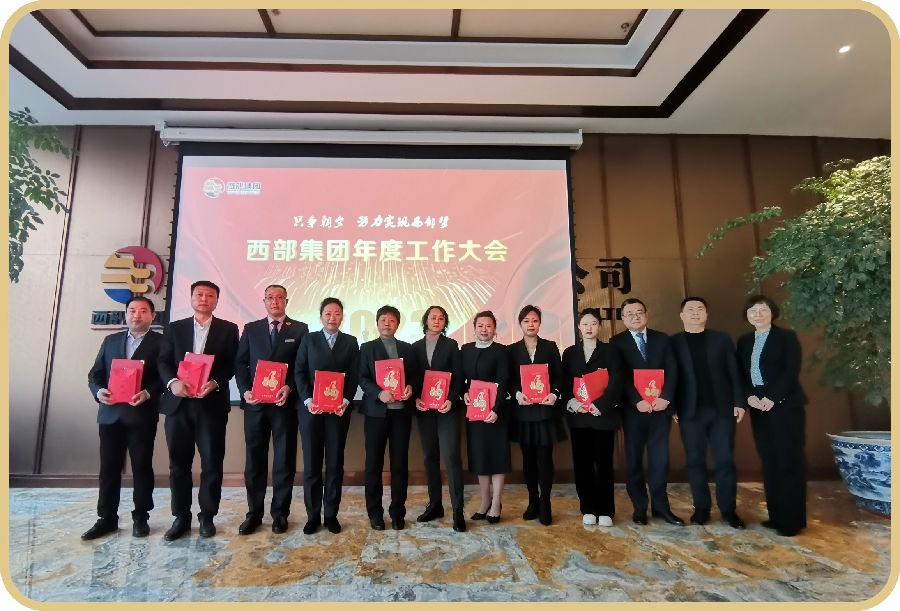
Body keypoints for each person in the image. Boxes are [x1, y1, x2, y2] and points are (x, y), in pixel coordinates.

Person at [157, 280, 239, 540]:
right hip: (179, 405)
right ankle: (181, 517)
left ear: (217, 300)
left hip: (210, 404)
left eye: (210, 295)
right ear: (191, 297)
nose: (204, 299)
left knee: (212, 462)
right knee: (178, 464)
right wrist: (173, 383)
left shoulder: (228, 329)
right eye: (199, 294)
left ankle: (207, 517)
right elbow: (163, 361)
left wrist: (215, 382)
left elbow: (232, 363)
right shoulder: (175, 328)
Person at [84, 296, 164, 539]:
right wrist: (99, 391)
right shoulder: (111, 341)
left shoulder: (161, 342)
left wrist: (148, 392)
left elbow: (165, 377)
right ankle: (107, 518)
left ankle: (141, 517)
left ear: (152, 316)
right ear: (126, 314)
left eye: (143, 311)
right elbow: (95, 374)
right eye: (132, 310)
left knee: (142, 467)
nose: (137, 315)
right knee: (108, 469)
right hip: (110, 416)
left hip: (141, 415)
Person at [234, 284, 308, 535]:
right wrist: (245, 390)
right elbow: (240, 363)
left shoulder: (300, 329)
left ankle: (280, 514)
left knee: (284, 462)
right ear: (264, 301)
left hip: (284, 405)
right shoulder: (251, 328)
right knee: (254, 462)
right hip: (255, 405)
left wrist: (289, 387)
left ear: (286, 300)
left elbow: (302, 366)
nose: (275, 301)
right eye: (270, 297)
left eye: (279, 297)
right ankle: (254, 514)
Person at [670, 297, 746, 529]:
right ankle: (701, 508)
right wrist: (672, 406)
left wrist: (739, 401)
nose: (695, 313)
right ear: (681, 315)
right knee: (694, 461)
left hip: (722, 410)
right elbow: (670, 377)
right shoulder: (673, 342)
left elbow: (734, 372)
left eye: (700, 309)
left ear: (706, 314)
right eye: (690, 309)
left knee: (725, 460)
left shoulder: (721, 339)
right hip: (689, 411)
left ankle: (728, 510)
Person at [737, 295, 808, 537]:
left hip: (785, 407)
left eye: (762, 309)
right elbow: (742, 375)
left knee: (789, 462)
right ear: (747, 315)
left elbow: (791, 372)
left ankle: (792, 521)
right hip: (759, 408)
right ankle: (776, 516)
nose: (757, 314)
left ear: (772, 312)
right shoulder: (745, 341)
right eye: (752, 311)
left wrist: (772, 397)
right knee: (769, 461)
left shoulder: (786, 337)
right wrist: (748, 397)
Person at [610, 298, 682, 526]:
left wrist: (666, 398)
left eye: (639, 312)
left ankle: (661, 507)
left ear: (647, 315)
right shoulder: (616, 342)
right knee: (633, 460)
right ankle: (639, 507)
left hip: (660, 409)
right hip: (633, 412)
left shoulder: (663, 339)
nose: (635, 317)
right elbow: (620, 376)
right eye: (630, 314)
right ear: (623, 318)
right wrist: (636, 400)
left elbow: (673, 370)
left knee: (660, 460)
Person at [293, 297, 359, 534]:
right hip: (311, 411)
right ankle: (312, 515)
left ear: (342, 317)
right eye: (328, 313)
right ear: (321, 316)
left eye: (337, 313)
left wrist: (346, 400)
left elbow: (354, 375)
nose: (333, 318)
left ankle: (331, 514)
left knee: (334, 464)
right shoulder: (309, 339)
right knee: (311, 464)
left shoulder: (350, 341)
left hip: (338, 412)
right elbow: (299, 372)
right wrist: (307, 400)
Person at [561, 308, 624, 527]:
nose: (589, 328)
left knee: (604, 464)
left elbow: (617, 381)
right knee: (583, 464)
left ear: (599, 326)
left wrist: (600, 405)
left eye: (593, 323)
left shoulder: (611, 351)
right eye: (585, 324)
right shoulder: (570, 353)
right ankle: (587, 507)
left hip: (602, 417)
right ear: (579, 327)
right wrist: (574, 403)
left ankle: (606, 509)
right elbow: (565, 382)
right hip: (579, 417)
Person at [358, 305, 416, 531]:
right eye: (383, 320)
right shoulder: (367, 348)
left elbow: (415, 376)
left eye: (391, 320)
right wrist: (378, 393)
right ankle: (375, 513)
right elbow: (362, 378)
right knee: (373, 464)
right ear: (377, 323)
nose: (387, 324)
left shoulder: (407, 349)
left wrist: (411, 386)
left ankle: (398, 512)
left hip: (401, 413)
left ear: (397, 324)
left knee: (400, 463)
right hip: (376, 414)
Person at [507, 305, 565, 526]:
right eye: (526, 321)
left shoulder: (550, 347)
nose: (531, 325)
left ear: (540, 323)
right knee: (528, 460)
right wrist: (516, 393)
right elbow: (510, 380)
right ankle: (533, 501)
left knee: (545, 459)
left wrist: (554, 393)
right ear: (520, 324)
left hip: (545, 411)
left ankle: (545, 503)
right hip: (523, 412)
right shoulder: (512, 350)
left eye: (535, 321)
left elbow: (559, 376)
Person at [411, 305, 466, 532]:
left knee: (452, 457)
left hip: (447, 410)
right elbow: (413, 377)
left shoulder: (451, 345)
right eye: (433, 317)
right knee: (430, 458)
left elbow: (459, 376)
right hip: (425, 410)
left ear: (445, 323)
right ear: (426, 320)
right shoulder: (415, 347)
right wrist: (415, 397)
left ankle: (458, 510)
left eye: (441, 318)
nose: (436, 320)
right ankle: (435, 505)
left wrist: (451, 399)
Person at [460, 311, 510, 524]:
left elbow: (504, 382)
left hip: (495, 414)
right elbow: (463, 380)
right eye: (480, 325)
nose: (484, 329)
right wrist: (464, 393)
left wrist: (496, 409)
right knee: (479, 456)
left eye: (489, 326)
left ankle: (496, 502)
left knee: (497, 457)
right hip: (475, 412)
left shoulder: (501, 351)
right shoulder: (466, 350)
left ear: (495, 329)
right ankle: (485, 501)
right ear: (474, 328)